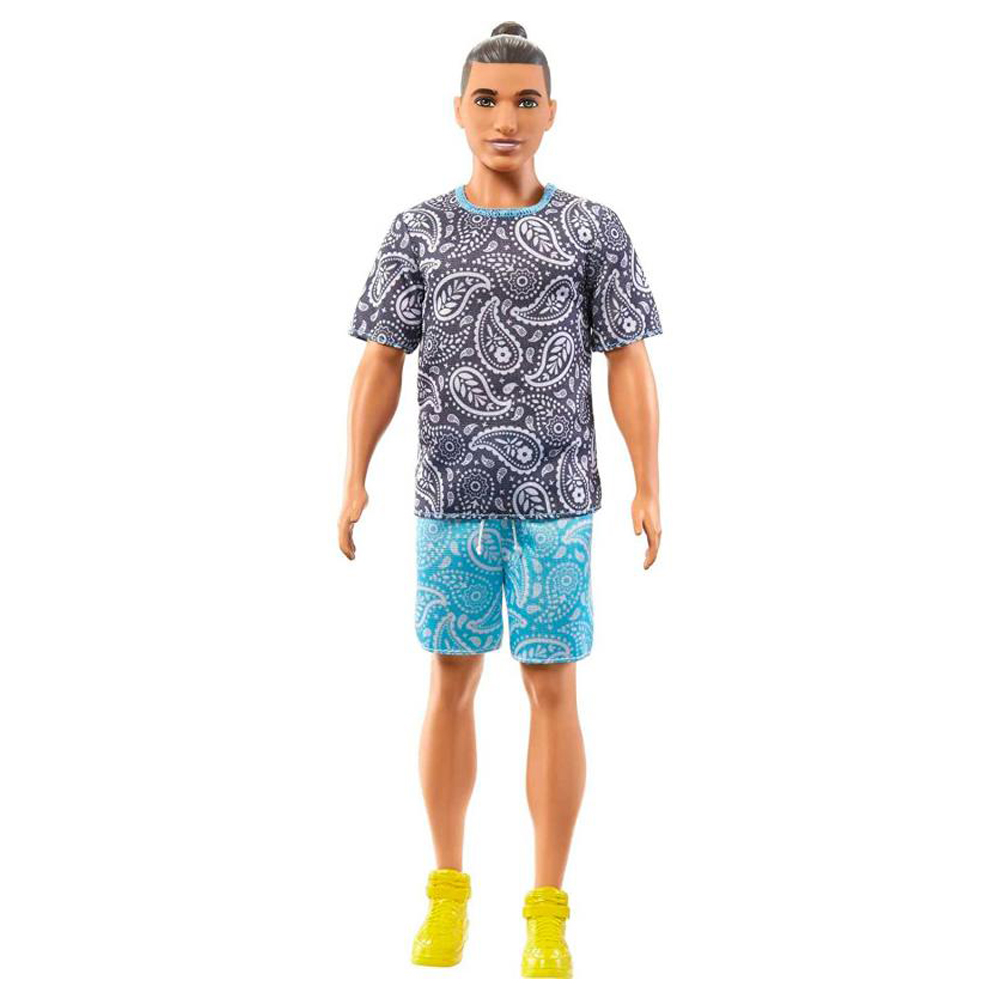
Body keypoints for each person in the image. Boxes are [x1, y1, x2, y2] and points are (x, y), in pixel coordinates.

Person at [339, 21, 663, 978]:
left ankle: (547, 913)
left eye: (525, 101)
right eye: (487, 99)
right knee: (450, 681)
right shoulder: (418, 231)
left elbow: (629, 359)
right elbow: (382, 359)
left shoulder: (593, 229)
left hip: (558, 498)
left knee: (552, 685)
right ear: (458, 110)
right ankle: (447, 895)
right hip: (451, 495)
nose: (505, 119)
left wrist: (649, 481)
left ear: (551, 112)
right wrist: (354, 472)